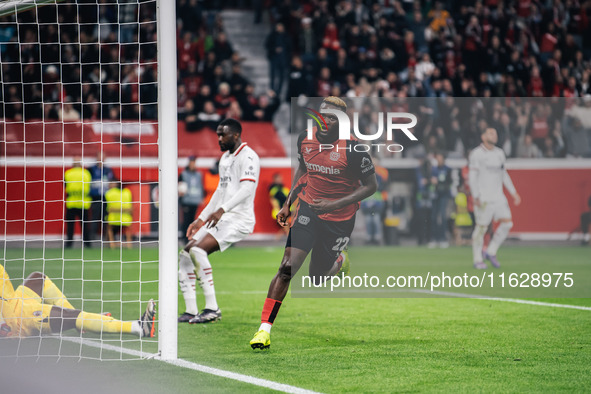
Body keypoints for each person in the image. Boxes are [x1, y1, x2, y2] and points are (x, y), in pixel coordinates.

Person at [249, 97, 377, 350]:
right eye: (323, 115)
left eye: (332, 117)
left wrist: (334, 204)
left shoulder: (354, 149)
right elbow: (302, 169)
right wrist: (289, 203)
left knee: (317, 277)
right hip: (308, 210)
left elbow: (371, 186)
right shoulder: (304, 139)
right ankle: (264, 329)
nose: (325, 120)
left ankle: (340, 261)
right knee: (286, 267)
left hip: (339, 219)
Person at [177, 118, 260, 324]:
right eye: (218, 135)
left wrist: (223, 210)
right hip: (223, 216)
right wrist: (201, 219)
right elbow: (219, 192)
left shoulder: (249, 156)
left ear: (236, 135)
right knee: (186, 254)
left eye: (223, 135)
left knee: (197, 251)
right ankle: (190, 310)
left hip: (239, 218)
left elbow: (247, 189)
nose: (219, 139)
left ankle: (212, 308)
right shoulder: (224, 159)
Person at [0, 263, 154, 338]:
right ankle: (138, 327)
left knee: (38, 277)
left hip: (15, 300)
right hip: (17, 317)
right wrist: (3, 326)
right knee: (74, 317)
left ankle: (78, 321)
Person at [469, 128, 521, 269]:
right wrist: (476, 195)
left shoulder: (499, 153)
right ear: (483, 136)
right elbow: (472, 177)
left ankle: (491, 251)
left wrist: (513, 193)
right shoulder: (477, 154)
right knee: (481, 228)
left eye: (495, 133)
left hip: (499, 197)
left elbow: (504, 174)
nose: (494, 135)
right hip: (484, 198)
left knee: (507, 224)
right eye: (491, 133)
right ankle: (477, 259)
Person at [64, 157, 92, 248]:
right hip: (83, 203)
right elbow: (89, 186)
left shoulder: (68, 173)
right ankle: (87, 244)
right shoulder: (86, 173)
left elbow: (65, 185)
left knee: (70, 225)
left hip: (71, 202)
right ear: (81, 164)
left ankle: (69, 243)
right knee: (84, 225)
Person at [88, 151, 115, 241]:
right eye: (99, 157)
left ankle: (106, 237)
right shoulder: (91, 169)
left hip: (106, 197)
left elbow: (113, 181)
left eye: (102, 157)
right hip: (95, 197)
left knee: (105, 217)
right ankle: (91, 237)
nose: (101, 159)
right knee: (94, 217)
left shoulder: (108, 170)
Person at [428, 152, 452, 248]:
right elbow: (429, 179)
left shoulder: (447, 169)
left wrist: (439, 182)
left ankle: (443, 238)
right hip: (435, 195)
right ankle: (434, 238)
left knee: (442, 216)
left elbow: (449, 182)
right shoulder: (433, 169)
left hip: (443, 195)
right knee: (433, 217)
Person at [178, 156, 204, 238]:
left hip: (195, 200)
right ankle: (184, 238)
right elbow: (180, 185)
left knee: (193, 220)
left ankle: (191, 237)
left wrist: (201, 197)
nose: (193, 164)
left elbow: (200, 186)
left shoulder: (198, 175)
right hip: (186, 201)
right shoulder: (184, 174)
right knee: (186, 220)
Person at [105, 180, 133, 249]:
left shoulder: (109, 193)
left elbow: (108, 209)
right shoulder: (127, 192)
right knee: (127, 228)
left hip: (113, 219)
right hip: (126, 219)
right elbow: (131, 208)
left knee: (108, 226)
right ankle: (129, 244)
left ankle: (111, 244)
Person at [269, 173, 290, 238]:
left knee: (286, 224)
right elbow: (273, 200)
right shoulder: (274, 189)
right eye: (278, 178)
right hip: (280, 210)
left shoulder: (283, 188)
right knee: (285, 224)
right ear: (274, 179)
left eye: (280, 178)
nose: (280, 180)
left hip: (287, 209)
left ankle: (277, 237)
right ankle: (289, 238)